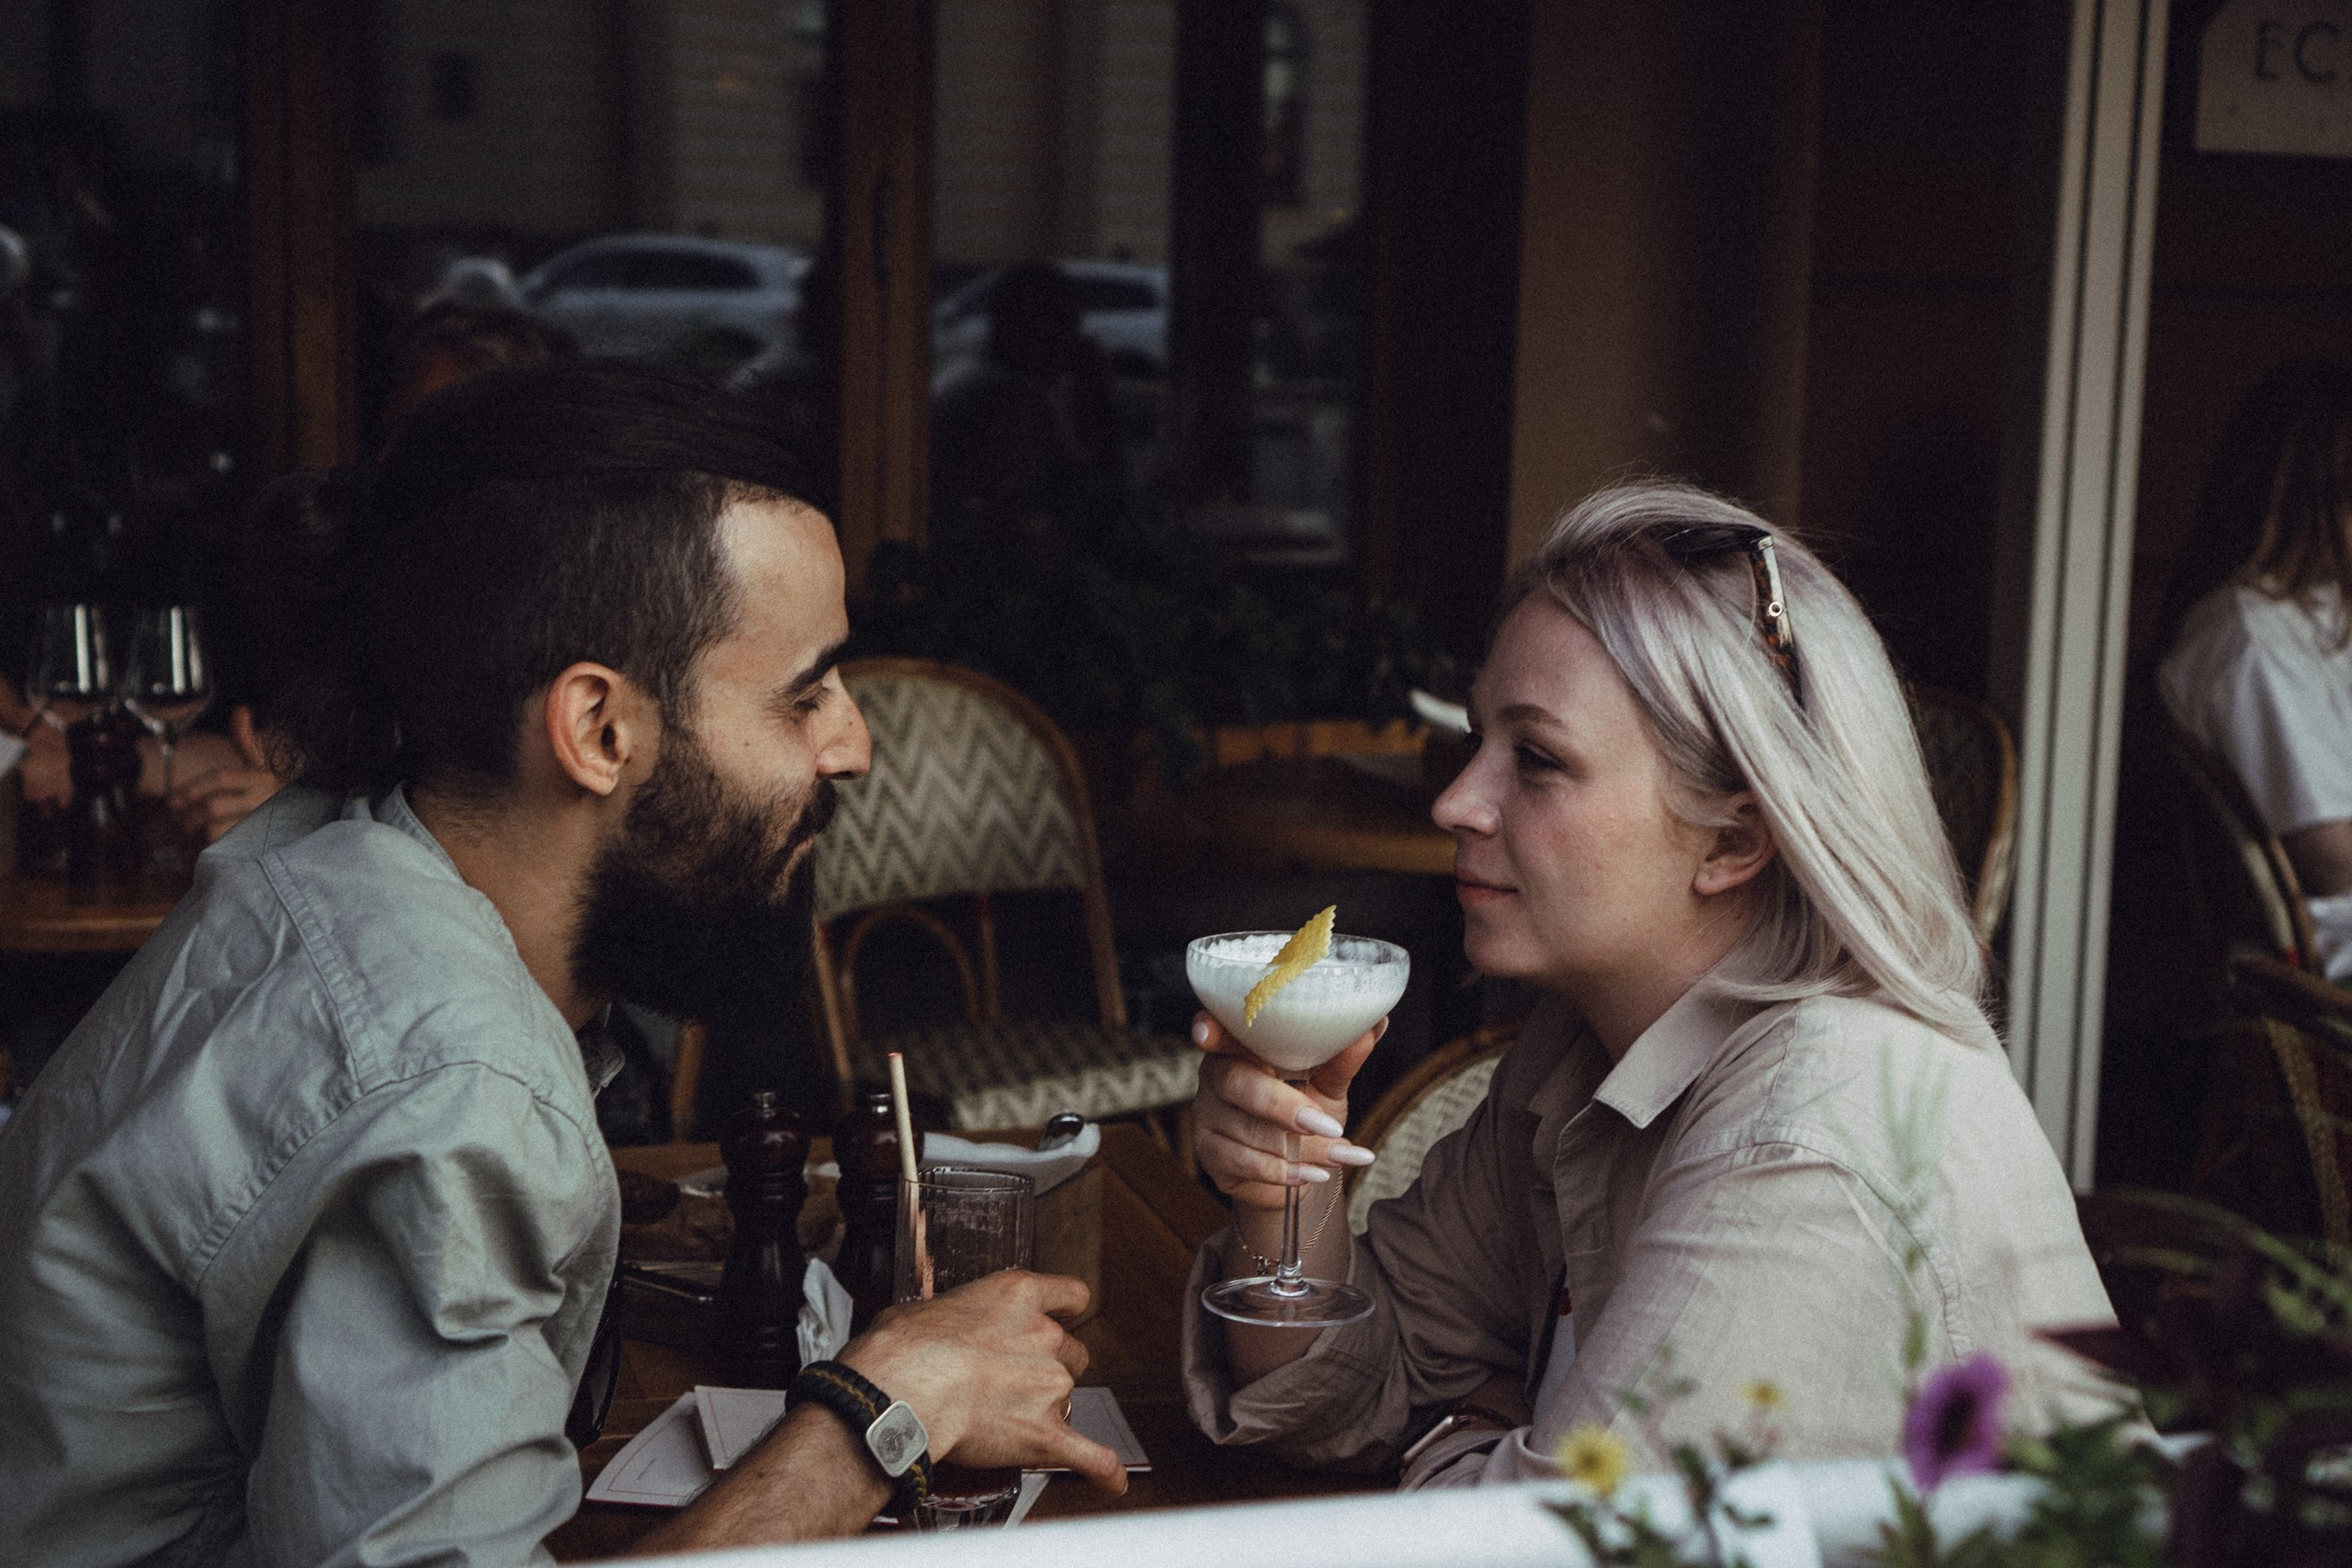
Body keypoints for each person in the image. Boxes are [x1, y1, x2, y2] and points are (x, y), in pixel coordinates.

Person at [0, 361, 1125, 1567]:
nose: (852, 743)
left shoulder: (347, 848)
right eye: (805, 694)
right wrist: (881, 1405)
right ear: (596, 729)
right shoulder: (447, 1071)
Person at [1181, 483, 2115, 1483]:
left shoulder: (1806, 1144)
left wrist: (1457, 1432)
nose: (1456, 801)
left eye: (1535, 758)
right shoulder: (1588, 1048)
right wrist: (1289, 1185)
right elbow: (1341, 1387)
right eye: (1476, 740)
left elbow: (1533, 1550)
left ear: (1732, 838)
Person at [2156, 360, 2352, 984]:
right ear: (2319, 498)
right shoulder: (2250, 639)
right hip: (2324, 964)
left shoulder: (2313, 615)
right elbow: (2333, 859)